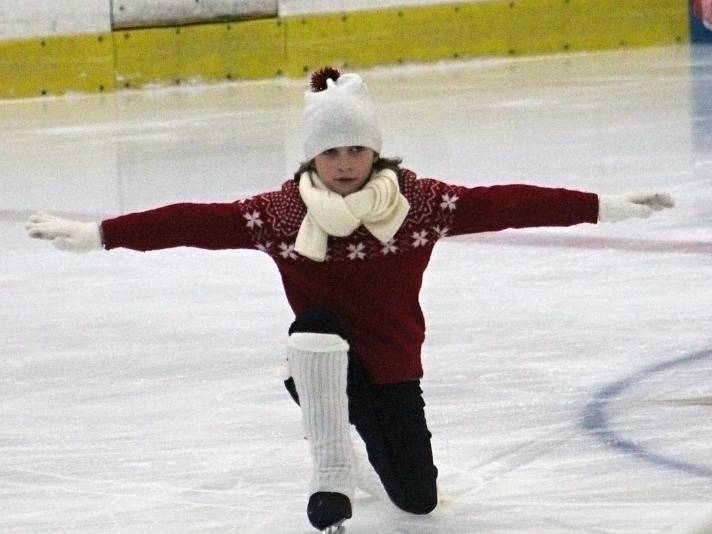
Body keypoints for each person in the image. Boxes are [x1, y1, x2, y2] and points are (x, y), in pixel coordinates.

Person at [26, 67, 675, 532]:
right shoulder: (280, 214)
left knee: (417, 501)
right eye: (331, 151)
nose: (344, 162)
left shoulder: (418, 205)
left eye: (356, 148)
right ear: (313, 155)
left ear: (375, 149)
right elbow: (191, 222)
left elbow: (506, 203)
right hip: (325, 355)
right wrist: (102, 235)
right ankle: (330, 456)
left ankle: (350, 429)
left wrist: (604, 206)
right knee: (316, 325)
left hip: (392, 366)